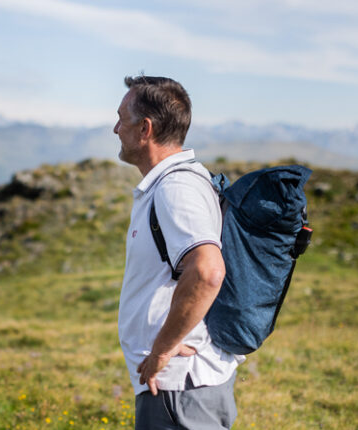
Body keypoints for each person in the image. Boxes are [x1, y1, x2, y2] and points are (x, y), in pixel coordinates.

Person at [115, 75, 244, 429]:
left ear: (145, 128)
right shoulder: (175, 182)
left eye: (121, 119)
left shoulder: (176, 188)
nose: (115, 129)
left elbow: (206, 271)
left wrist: (161, 351)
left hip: (179, 387)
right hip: (181, 387)